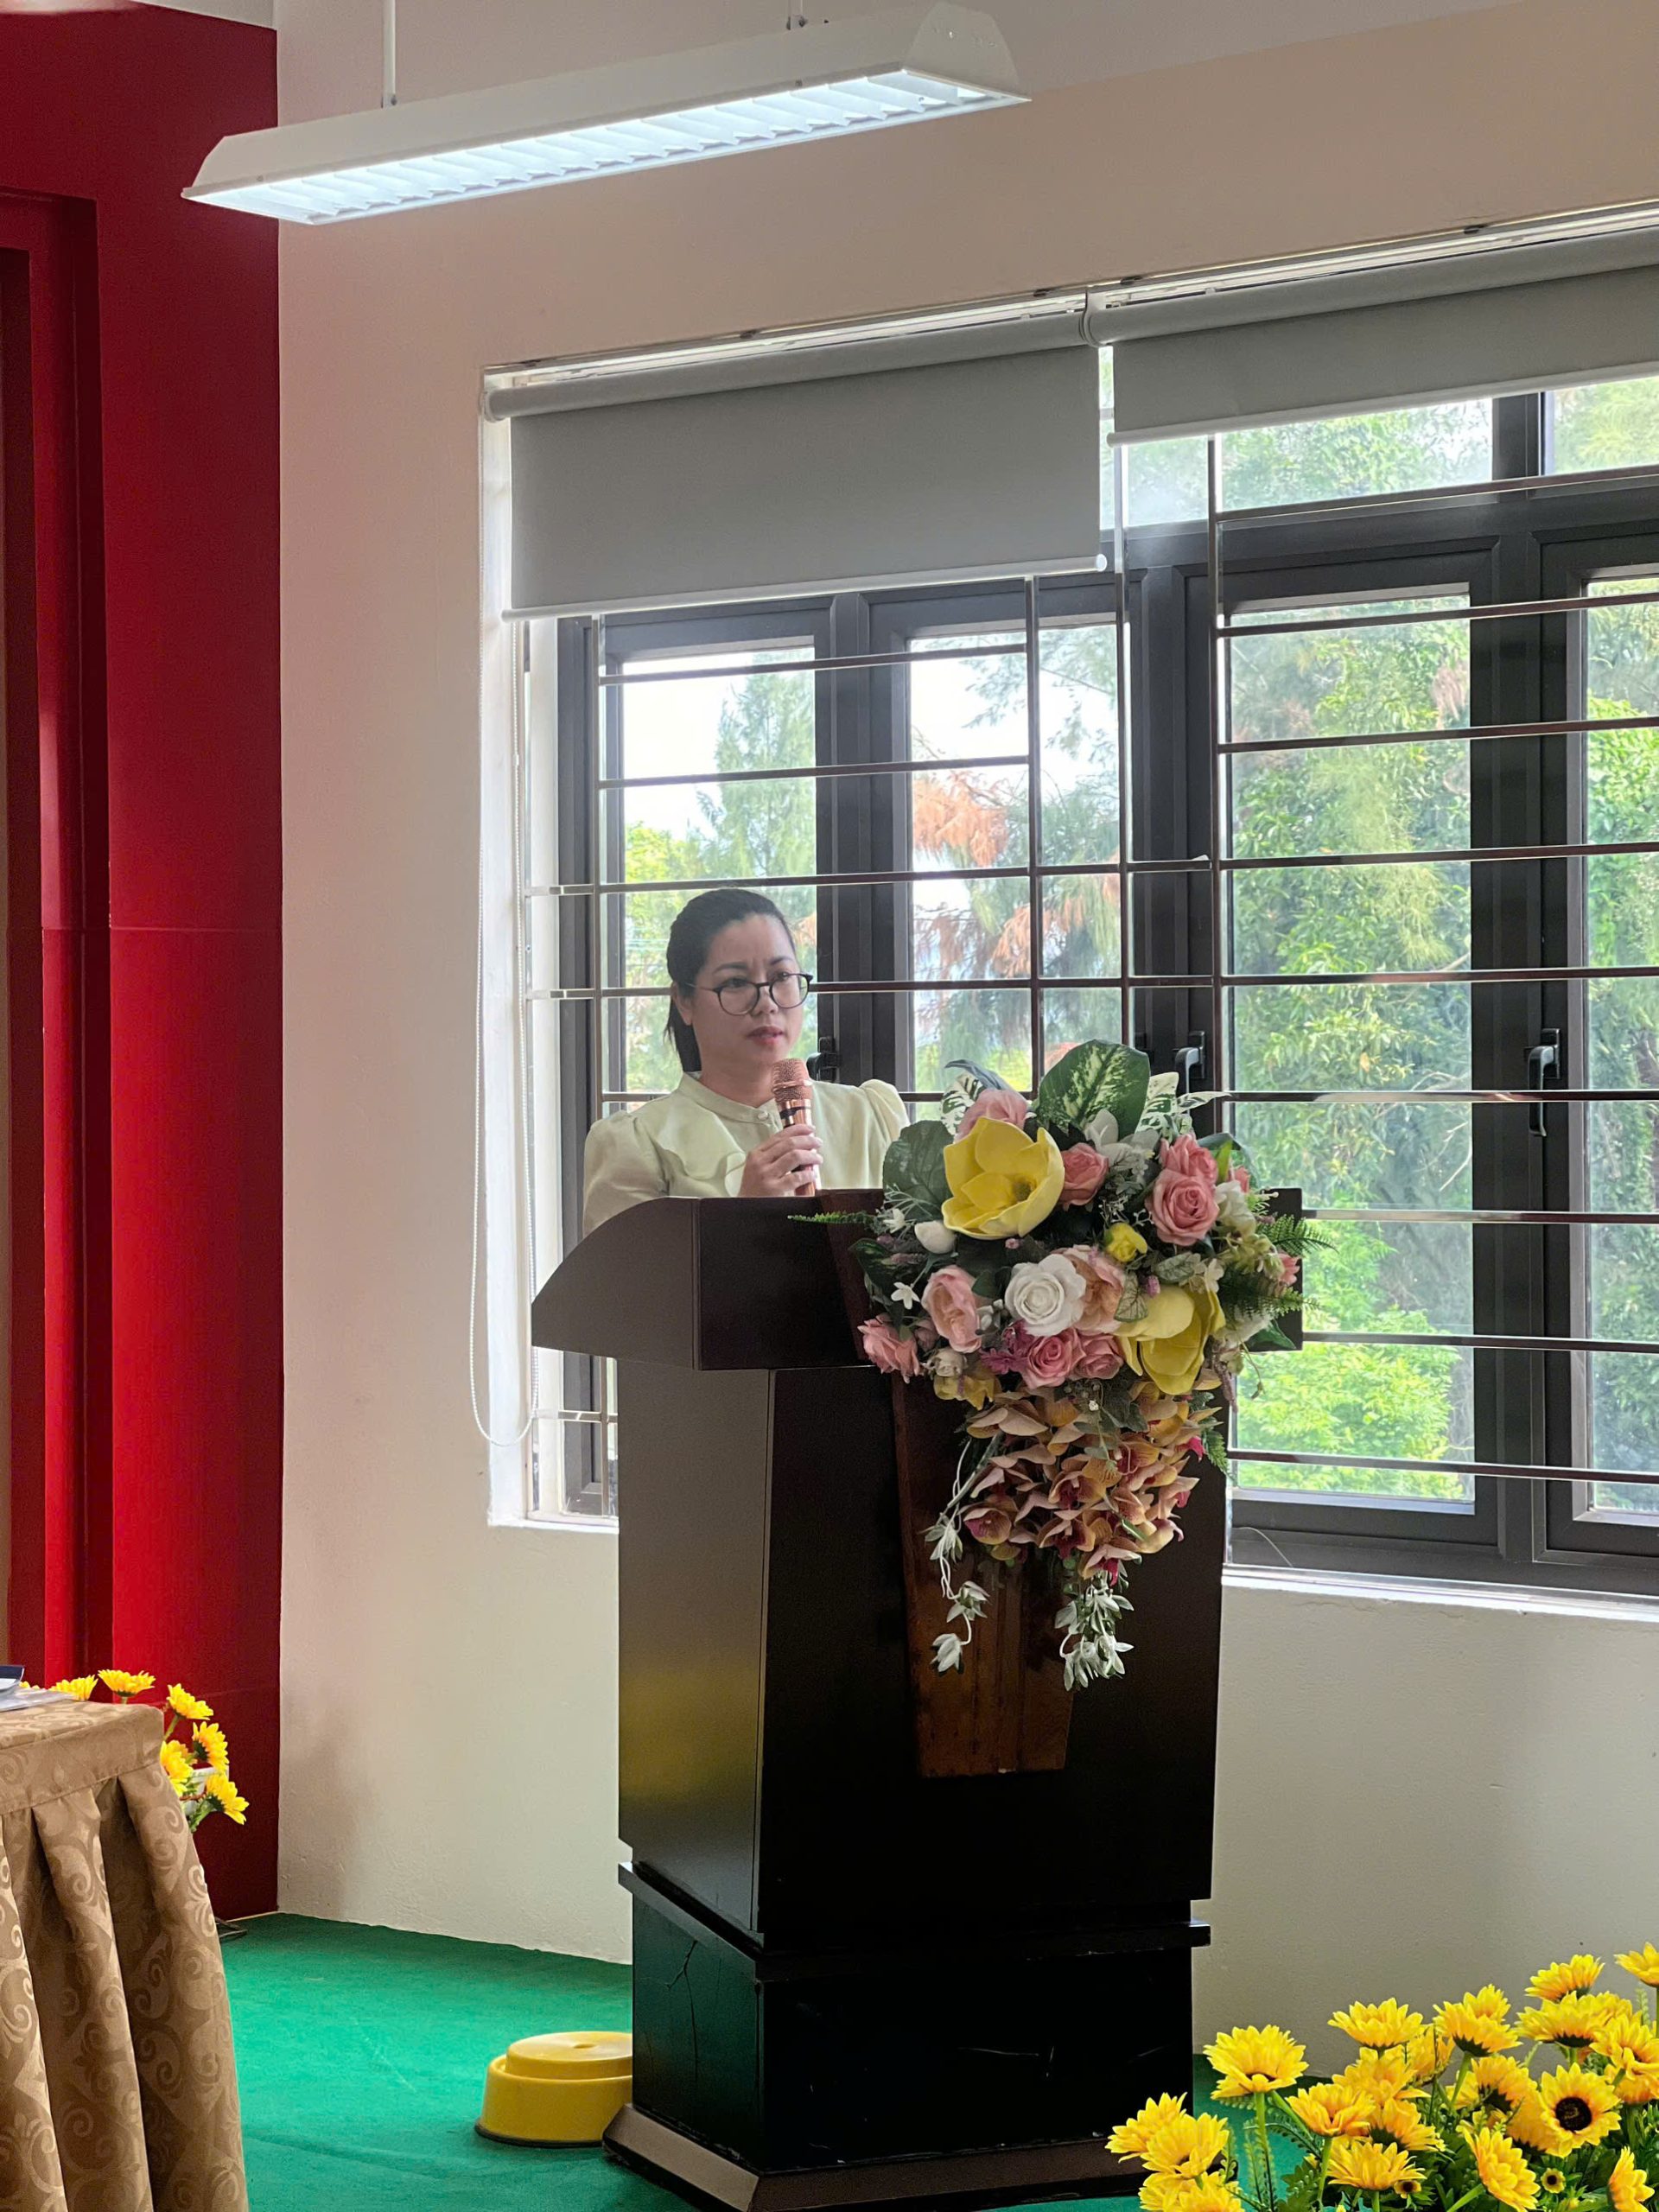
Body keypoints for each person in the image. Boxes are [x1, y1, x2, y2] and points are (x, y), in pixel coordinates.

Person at [582, 887, 908, 1233]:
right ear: (684, 1001)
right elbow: (626, 1269)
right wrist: (741, 1217)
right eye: (736, 982)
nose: (766, 1003)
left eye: (781, 977)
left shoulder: (871, 1115)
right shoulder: (638, 1143)